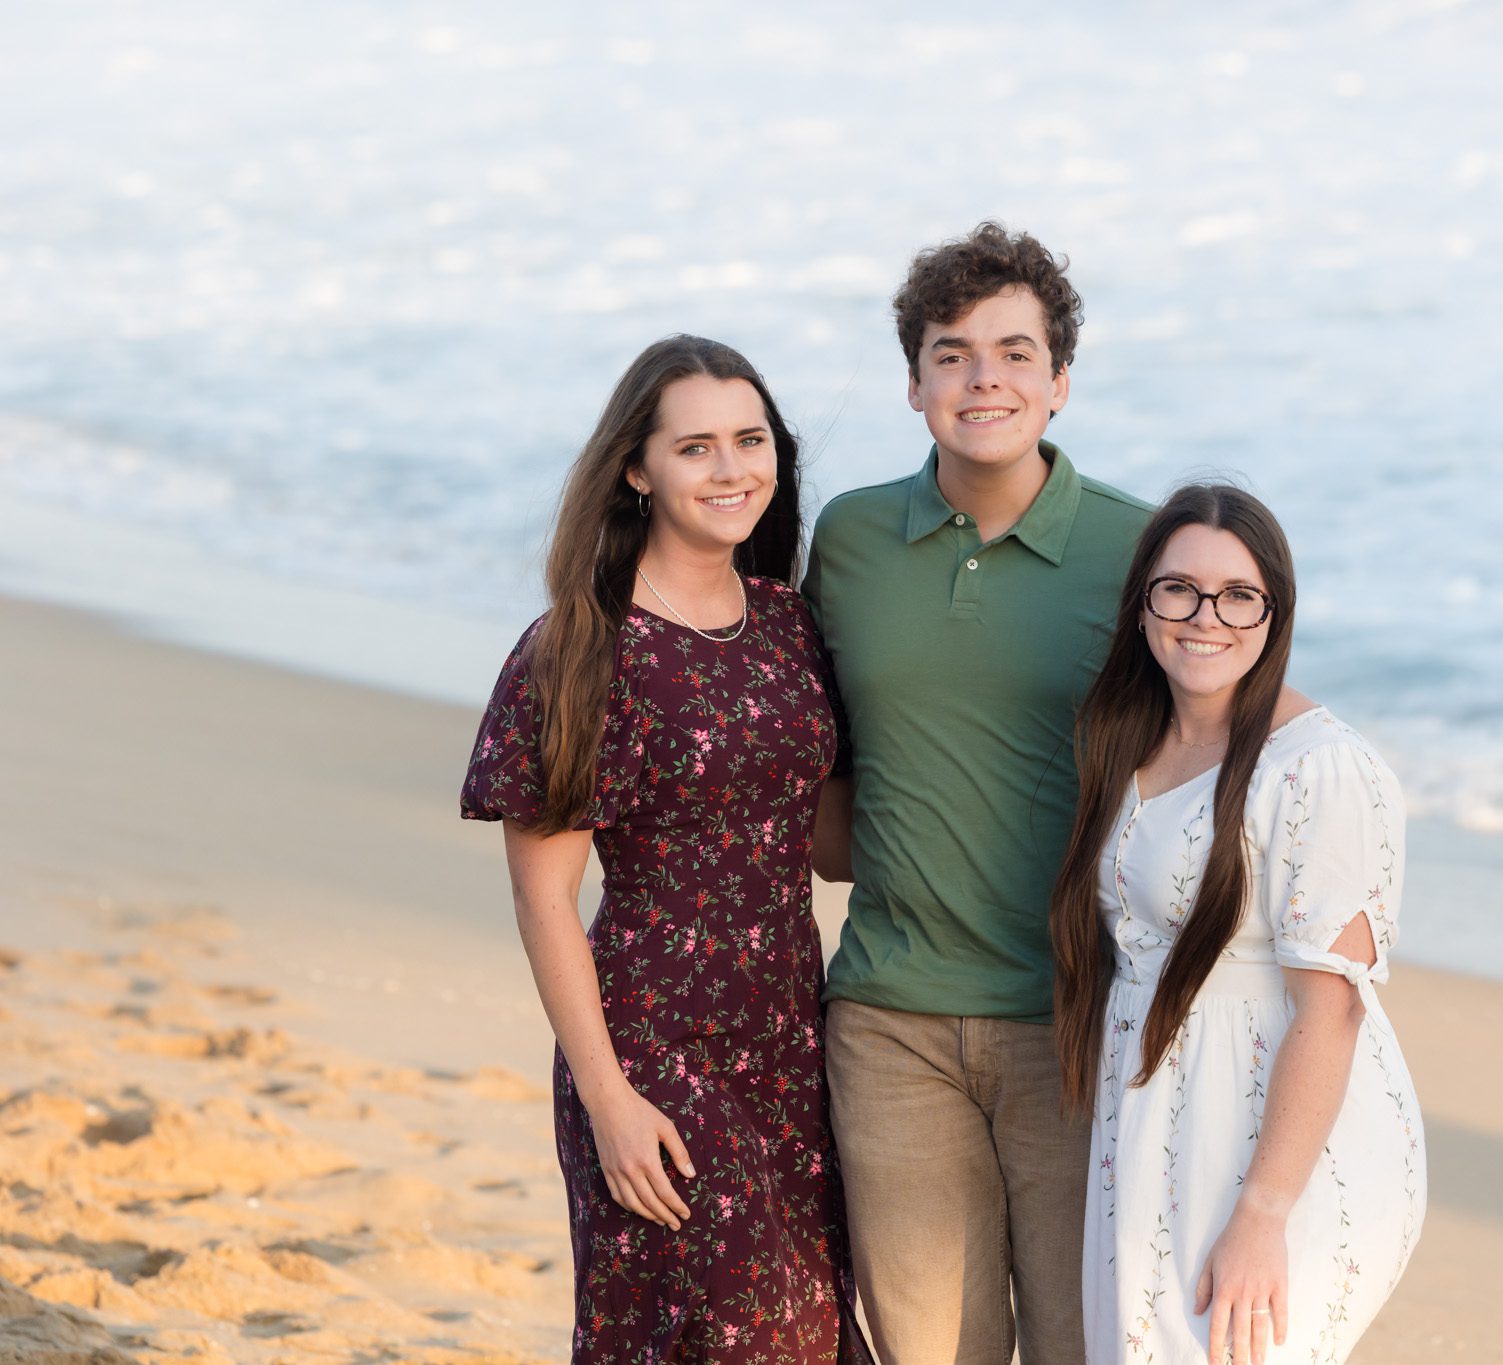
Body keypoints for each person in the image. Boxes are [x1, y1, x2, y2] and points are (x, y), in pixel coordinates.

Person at [459, 336, 869, 1364]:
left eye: (750, 440)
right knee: (730, 1327)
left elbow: (827, 847)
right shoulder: (576, 649)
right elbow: (546, 900)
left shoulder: (785, 622)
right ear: (638, 470)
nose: (731, 469)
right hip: (649, 1042)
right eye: (696, 447)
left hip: (787, 1033)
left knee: (809, 1322)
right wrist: (607, 1099)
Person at [801, 222, 1152, 1363]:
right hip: (889, 1019)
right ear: (912, 384)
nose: (982, 378)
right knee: (931, 1351)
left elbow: (1226, 734)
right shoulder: (850, 539)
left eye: (1013, 352)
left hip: (1076, 1028)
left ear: (1059, 382)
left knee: (1079, 1340)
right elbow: (818, 755)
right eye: (951, 354)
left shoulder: (1139, 550)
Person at [1049, 483, 1425, 1365]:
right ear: (1143, 605)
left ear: (1274, 613)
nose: (1205, 616)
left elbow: (1332, 1009)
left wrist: (1262, 1212)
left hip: (1270, 1144)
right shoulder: (1129, 739)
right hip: (1152, 1127)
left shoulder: (1322, 769)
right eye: (1178, 588)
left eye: (1238, 595)